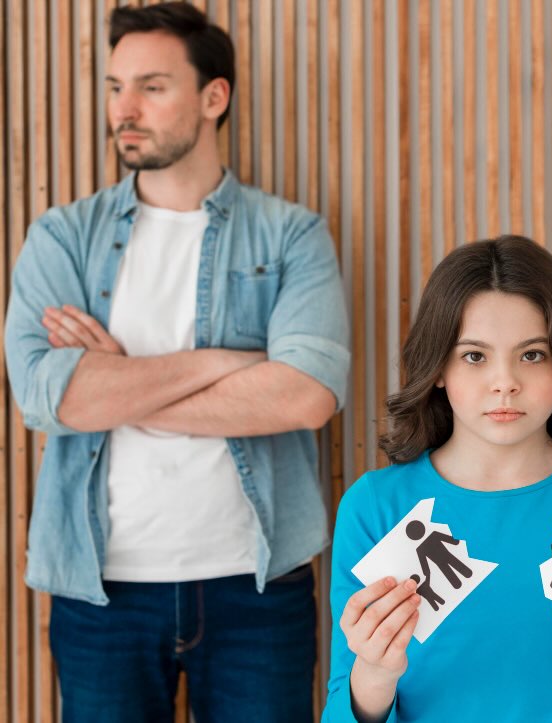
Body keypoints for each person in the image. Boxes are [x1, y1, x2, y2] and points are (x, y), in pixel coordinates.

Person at [4, 4, 349, 721]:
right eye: (114, 86)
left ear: (213, 97)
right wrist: (230, 361)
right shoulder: (63, 237)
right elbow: (46, 396)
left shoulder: (292, 235)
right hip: (102, 593)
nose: (123, 109)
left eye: (152, 87)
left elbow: (307, 395)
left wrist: (116, 379)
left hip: (256, 589)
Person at [322, 236, 552, 722]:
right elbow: (340, 710)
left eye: (532, 355)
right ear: (439, 368)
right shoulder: (374, 508)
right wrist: (374, 675)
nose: (505, 381)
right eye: (474, 356)